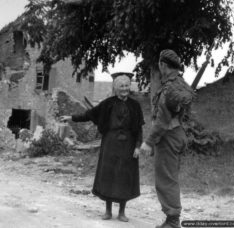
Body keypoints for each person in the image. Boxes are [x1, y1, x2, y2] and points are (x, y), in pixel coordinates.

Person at [60, 73, 145, 222]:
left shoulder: (135, 106)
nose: (124, 89)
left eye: (126, 86)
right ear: (115, 88)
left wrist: (138, 146)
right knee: (109, 175)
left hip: (128, 145)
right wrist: (72, 117)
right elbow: (89, 114)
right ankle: (108, 211)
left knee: (124, 177)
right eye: (121, 86)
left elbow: (139, 129)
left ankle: (122, 212)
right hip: (110, 144)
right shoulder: (107, 104)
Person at [140, 49, 195, 228]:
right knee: (171, 177)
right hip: (178, 134)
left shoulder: (168, 88)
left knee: (165, 179)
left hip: (169, 137)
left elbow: (162, 122)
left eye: (159, 65)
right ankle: (172, 218)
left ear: (163, 66)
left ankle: (172, 221)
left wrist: (148, 142)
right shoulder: (181, 83)